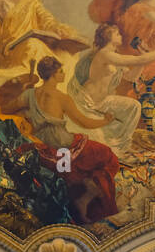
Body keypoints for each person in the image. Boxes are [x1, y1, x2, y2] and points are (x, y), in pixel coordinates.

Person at [7, 57, 121, 224]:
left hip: (43, 148)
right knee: (108, 157)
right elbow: (84, 122)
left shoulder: (29, 94)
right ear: (53, 74)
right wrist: (106, 120)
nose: (64, 73)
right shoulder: (62, 98)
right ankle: (84, 199)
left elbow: (7, 108)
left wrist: (26, 112)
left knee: (69, 177)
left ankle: (79, 198)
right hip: (64, 147)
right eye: (61, 71)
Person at [67, 23, 155, 153]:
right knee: (98, 145)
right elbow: (138, 60)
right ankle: (113, 147)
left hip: (102, 102)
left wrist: (142, 59)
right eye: (117, 34)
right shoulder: (104, 54)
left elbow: (132, 77)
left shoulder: (114, 56)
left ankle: (122, 146)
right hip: (86, 104)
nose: (120, 36)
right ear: (108, 37)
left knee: (134, 107)